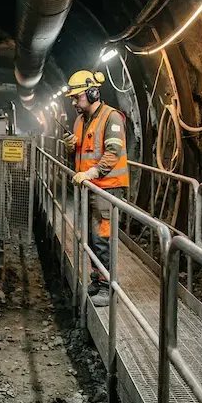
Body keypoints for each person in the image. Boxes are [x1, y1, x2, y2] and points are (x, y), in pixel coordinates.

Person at [62, 70, 129, 307]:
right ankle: (97, 279)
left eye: (77, 97)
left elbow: (113, 153)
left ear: (92, 93)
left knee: (103, 238)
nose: (73, 102)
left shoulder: (112, 118)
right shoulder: (80, 120)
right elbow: (82, 153)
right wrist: (70, 148)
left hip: (107, 189)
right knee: (90, 238)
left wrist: (92, 173)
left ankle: (109, 288)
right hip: (89, 188)